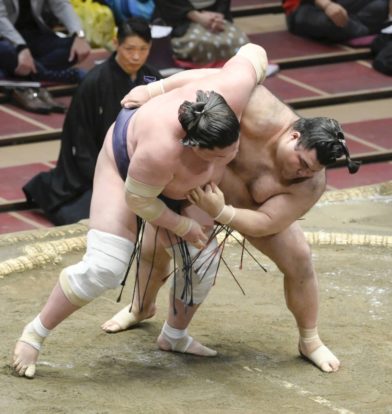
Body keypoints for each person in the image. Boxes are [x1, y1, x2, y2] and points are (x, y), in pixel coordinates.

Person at [12, 42, 269, 378]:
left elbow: (253, 52)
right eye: (217, 155)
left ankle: (174, 335)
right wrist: (180, 225)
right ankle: (34, 334)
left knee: (204, 260)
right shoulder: (158, 151)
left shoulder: (229, 93)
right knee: (105, 266)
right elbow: (139, 201)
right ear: (194, 146)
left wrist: (156, 88)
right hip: (124, 169)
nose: (228, 158)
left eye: (231, 150)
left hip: (191, 186)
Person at [102, 69, 360, 373]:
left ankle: (310, 339)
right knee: (155, 246)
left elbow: (266, 222)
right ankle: (141, 308)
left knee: (300, 259)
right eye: (302, 162)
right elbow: (207, 83)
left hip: (248, 210)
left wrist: (222, 212)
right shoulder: (259, 107)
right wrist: (154, 90)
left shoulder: (310, 184)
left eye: (311, 170)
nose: (303, 173)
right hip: (195, 188)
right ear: (293, 135)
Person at [23, 17, 162, 226]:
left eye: (143, 49)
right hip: (98, 166)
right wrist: (107, 177)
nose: (136, 56)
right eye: (129, 49)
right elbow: (80, 139)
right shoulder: (94, 82)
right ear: (116, 44)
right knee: (98, 217)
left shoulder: (153, 79)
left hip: (140, 166)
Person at [0, 0, 91, 112]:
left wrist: (79, 35)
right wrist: (21, 47)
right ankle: (61, 75)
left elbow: (61, 4)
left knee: (74, 49)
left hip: (35, 36)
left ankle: (18, 73)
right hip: (5, 38)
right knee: (6, 50)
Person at [154, 0, 249, 68]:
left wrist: (217, 16)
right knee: (200, 43)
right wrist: (198, 17)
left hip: (214, 14)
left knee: (240, 40)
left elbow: (223, 4)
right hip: (182, 19)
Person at [283, 0, 389, 43]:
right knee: (329, 23)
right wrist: (327, 5)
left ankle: (353, 26)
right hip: (303, 7)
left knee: (381, 5)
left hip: (341, 3)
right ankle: (364, 30)